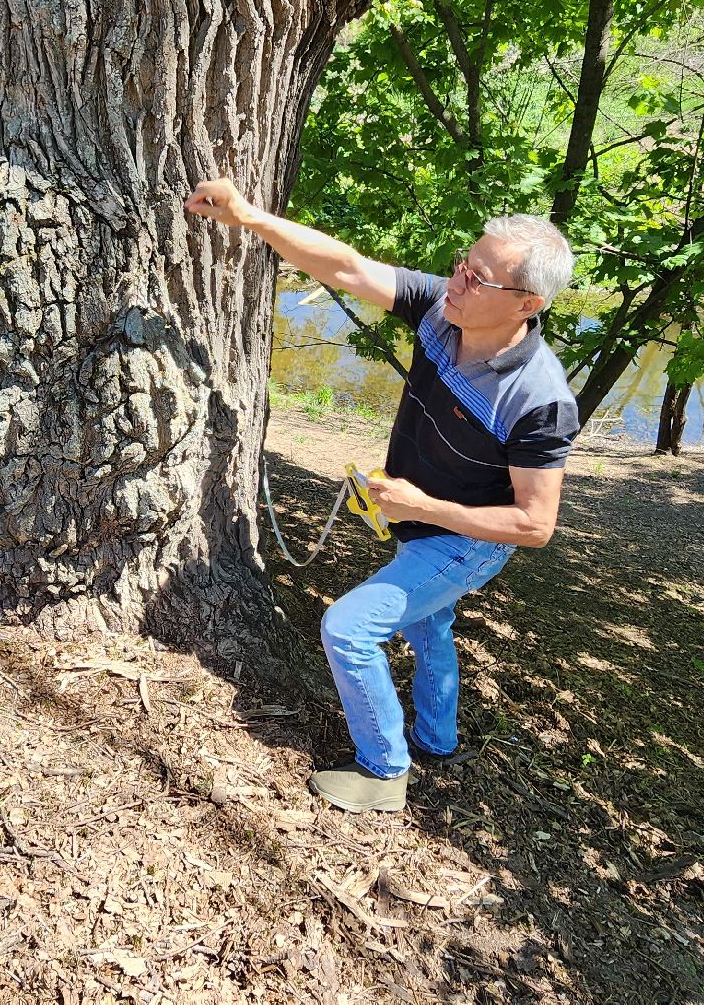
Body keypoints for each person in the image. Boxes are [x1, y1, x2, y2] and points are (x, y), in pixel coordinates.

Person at [185, 178, 580, 813]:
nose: (456, 281)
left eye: (478, 278)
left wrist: (423, 508)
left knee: (347, 628)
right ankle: (437, 739)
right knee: (430, 626)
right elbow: (346, 266)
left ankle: (383, 769)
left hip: (463, 544)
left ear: (527, 303)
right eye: (461, 263)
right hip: (421, 526)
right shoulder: (440, 311)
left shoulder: (539, 398)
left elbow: (535, 525)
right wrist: (249, 216)